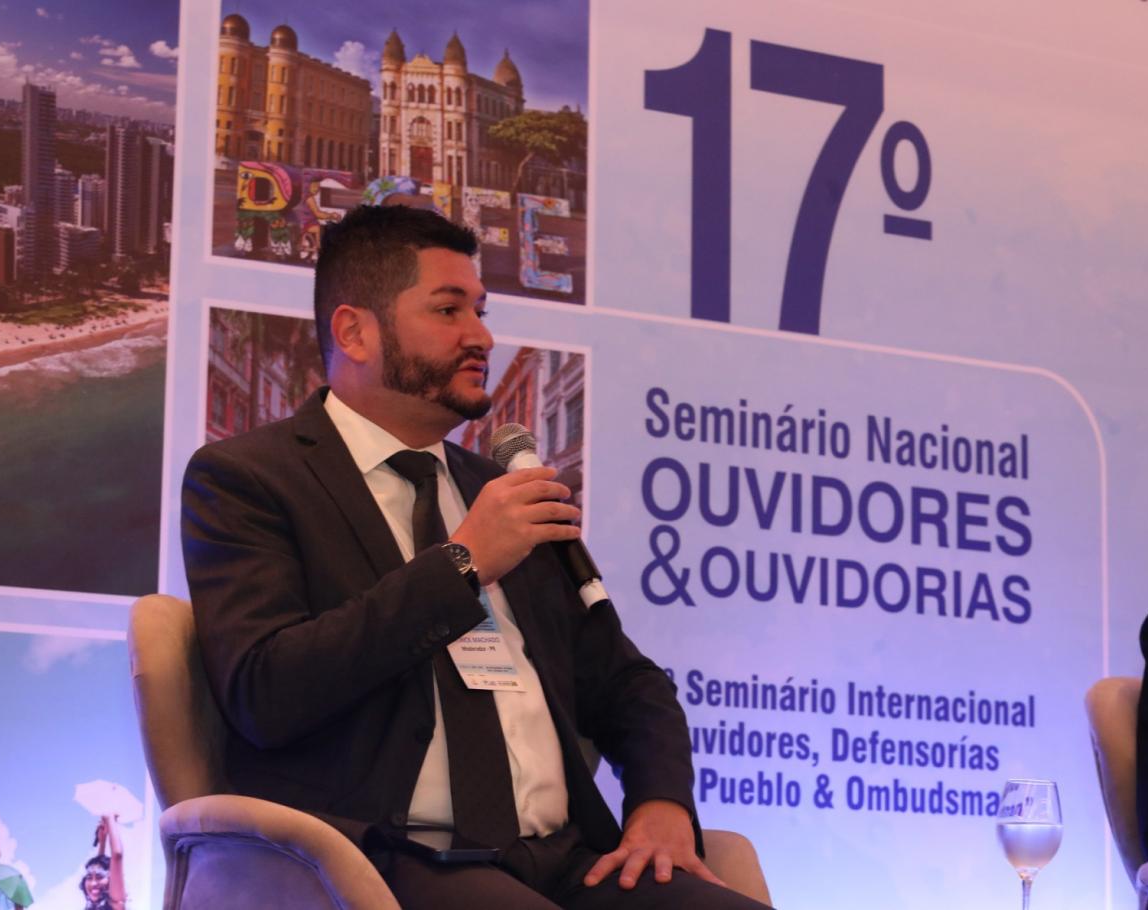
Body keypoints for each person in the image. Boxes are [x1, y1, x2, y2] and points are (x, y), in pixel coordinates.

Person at [182, 204, 771, 909]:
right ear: (354, 331)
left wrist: (661, 803)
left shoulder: (503, 493)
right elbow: (265, 692)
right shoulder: (248, 479)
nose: (481, 336)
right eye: (448, 310)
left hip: (565, 862)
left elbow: (626, 681)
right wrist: (462, 565)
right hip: (382, 860)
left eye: (481, 311)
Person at [78, 814, 125, 910]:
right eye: (89, 877)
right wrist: (102, 841)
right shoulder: (93, 905)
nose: (93, 883)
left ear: (112, 881)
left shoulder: (116, 904)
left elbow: (117, 855)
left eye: (99, 878)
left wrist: (109, 818)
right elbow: (99, 869)